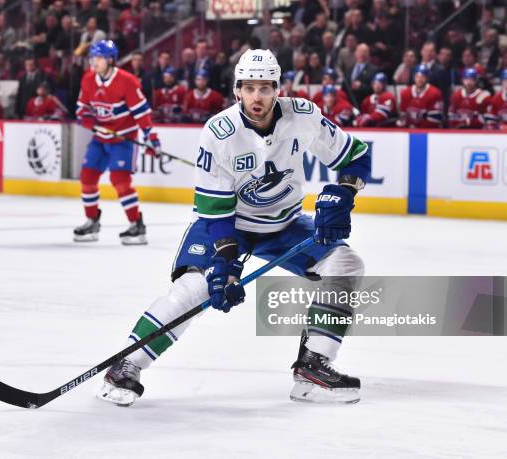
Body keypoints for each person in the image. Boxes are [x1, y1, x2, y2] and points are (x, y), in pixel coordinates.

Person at [98, 49, 370, 407]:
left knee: (346, 264)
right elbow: (215, 211)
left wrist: (344, 191)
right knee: (193, 289)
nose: (257, 97)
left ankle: (312, 367)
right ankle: (126, 365)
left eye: (265, 88)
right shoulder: (219, 132)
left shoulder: (303, 115)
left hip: (283, 223)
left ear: (277, 89)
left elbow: (356, 156)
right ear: (236, 90)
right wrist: (224, 265)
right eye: (249, 88)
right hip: (229, 225)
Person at [74, 40, 160, 244]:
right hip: (100, 138)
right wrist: (89, 122)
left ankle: (136, 226)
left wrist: (151, 138)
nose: (94, 62)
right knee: (87, 177)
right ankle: (91, 221)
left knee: (120, 181)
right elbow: (82, 110)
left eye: (98, 58)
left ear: (110, 60)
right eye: (92, 58)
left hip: (123, 138)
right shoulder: (88, 80)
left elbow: (142, 113)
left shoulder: (127, 81)